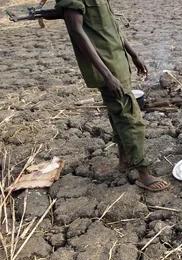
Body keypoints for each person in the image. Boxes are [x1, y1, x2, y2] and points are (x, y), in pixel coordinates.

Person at [38, 0, 169, 191]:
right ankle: (143, 173)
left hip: (116, 59)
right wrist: (107, 75)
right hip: (107, 65)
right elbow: (77, 31)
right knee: (130, 118)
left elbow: (108, 24)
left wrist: (133, 54)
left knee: (119, 112)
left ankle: (124, 161)